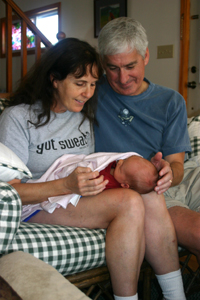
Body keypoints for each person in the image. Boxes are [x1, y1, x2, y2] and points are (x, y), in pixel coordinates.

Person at [0, 37, 175, 300]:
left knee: (149, 192)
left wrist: (155, 170)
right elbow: (9, 194)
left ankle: (176, 294)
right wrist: (65, 186)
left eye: (93, 84)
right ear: (54, 79)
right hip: (36, 204)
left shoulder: (82, 113)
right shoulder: (18, 118)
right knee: (128, 203)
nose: (88, 92)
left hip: (74, 195)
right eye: (80, 84)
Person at [94, 17, 190, 300]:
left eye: (130, 66)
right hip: (118, 189)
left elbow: (178, 166)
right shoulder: (89, 93)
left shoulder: (171, 101)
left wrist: (168, 173)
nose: (122, 78)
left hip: (162, 188)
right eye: (112, 68)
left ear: (145, 55)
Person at [23, 152, 158, 218]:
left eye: (121, 167)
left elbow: (89, 184)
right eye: (124, 160)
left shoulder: (106, 181)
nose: (120, 161)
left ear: (125, 185)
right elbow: (96, 161)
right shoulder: (114, 166)